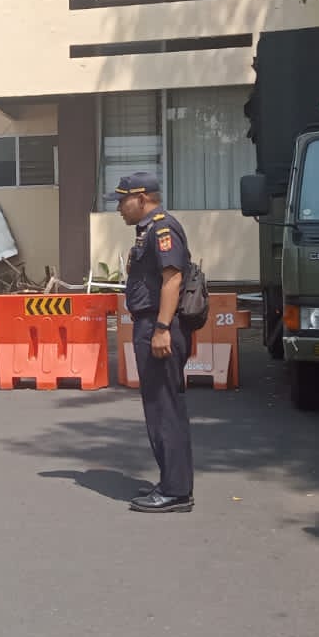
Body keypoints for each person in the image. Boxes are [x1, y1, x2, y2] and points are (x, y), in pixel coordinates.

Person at [116, 172, 195, 513]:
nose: (119, 208)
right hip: (151, 324)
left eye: (123, 200)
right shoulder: (148, 230)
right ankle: (172, 483)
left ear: (142, 198)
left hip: (159, 326)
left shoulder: (163, 228)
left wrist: (162, 328)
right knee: (160, 406)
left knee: (164, 408)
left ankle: (176, 492)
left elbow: (172, 279)